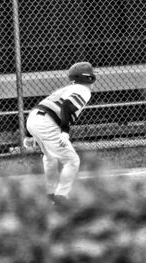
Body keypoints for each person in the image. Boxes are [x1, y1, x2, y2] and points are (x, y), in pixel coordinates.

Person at [24, 61, 96, 206]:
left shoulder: (67, 88)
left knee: (50, 158)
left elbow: (44, 105)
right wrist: (65, 131)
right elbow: (66, 107)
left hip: (34, 118)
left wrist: (28, 134)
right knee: (72, 161)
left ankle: (51, 195)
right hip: (47, 122)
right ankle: (61, 197)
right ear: (89, 78)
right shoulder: (83, 90)